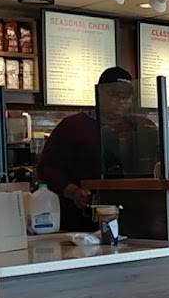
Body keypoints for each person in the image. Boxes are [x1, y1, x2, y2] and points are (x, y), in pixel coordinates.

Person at [37, 66, 150, 231]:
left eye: (126, 96)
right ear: (99, 93)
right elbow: (47, 169)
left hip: (134, 216)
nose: (121, 100)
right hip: (82, 220)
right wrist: (73, 192)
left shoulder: (141, 127)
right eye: (114, 94)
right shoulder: (73, 126)